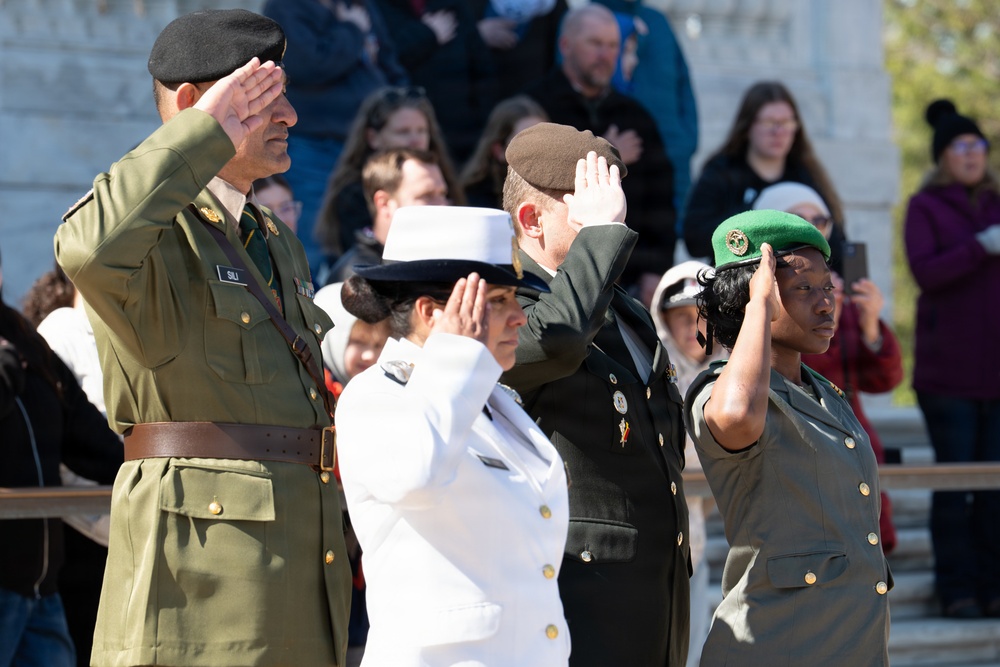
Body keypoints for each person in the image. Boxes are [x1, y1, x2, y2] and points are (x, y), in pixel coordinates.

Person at [54, 10, 351, 666]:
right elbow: (84, 247)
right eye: (268, 97)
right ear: (194, 106)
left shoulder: (273, 237)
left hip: (298, 571)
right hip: (201, 587)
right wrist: (197, 139)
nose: (292, 117)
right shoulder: (150, 231)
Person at [335, 206, 571, 665]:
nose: (519, 317)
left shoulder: (494, 401)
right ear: (430, 312)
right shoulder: (375, 394)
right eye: (497, 300)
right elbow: (415, 477)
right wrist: (455, 356)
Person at [500, 123, 690, 667]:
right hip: (576, 594)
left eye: (615, 213)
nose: (614, 225)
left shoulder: (624, 309)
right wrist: (600, 241)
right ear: (532, 220)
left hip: (655, 592)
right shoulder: (504, 302)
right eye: (589, 214)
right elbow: (554, 344)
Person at [685, 209, 891, 664]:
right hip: (772, 647)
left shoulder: (827, 394)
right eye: (802, 289)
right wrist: (758, 305)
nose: (825, 304)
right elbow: (737, 415)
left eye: (827, 288)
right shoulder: (718, 391)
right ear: (751, 297)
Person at [756, 181, 901, 555]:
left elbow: (885, 379)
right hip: (796, 432)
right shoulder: (760, 302)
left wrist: (869, 322)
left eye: (819, 218)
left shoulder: (840, 301)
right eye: (799, 218)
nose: (812, 226)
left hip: (850, 428)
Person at [0, 246, 123, 667]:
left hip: (41, 586)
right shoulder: (43, 336)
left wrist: (154, 473)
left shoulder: (23, 338)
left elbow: (85, 436)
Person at [904, 98, 1000, 619]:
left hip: (997, 374)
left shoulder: (996, 202)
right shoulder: (926, 207)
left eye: (978, 145)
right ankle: (956, 588)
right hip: (948, 375)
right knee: (954, 482)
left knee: (994, 488)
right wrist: (979, 247)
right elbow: (926, 272)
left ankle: (993, 584)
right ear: (943, 155)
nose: (972, 154)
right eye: (961, 146)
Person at [523, 4, 676, 294]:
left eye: (612, 46)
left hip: (629, 279)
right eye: (595, 43)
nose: (605, 55)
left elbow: (661, 201)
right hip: (552, 275)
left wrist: (654, 269)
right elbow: (524, 187)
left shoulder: (636, 117)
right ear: (565, 45)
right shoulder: (536, 108)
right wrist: (606, 158)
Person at [262, 0, 408, 272]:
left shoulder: (360, 6)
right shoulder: (285, 8)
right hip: (314, 144)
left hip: (367, 143)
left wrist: (402, 99)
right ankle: (307, 302)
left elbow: (388, 61)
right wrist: (352, 30)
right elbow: (308, 65)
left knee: (367, 230)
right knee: (312, 238)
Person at [649, 259, 727, 667]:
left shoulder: (734, 373)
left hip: (698, 533)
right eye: (680, 318)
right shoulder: (651, 374)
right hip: (658, 536)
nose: (691, 329)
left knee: (695, 642)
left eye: (701, 316)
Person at [683, 81, 847, 272]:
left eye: (786, 122)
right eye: (769, 122)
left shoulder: (807, 177)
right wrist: (756, 214)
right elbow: (694, 239)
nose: (778, 132)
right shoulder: (722, 173)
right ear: (748, 126)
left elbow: (838, 244)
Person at [315, 86, 464, 268]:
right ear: (373, 137)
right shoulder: (352, 194)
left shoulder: (439, 179)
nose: (415, 140)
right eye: (403, 132)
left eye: (422, 131)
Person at [597, 0, 699, 217]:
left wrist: (687, 140)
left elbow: (683, 83)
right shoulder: (591, 20)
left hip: (673, 156)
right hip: (627, 158)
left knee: (671, 230)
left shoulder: (657, 21)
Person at [372, 0, 497, 164]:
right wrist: (427, 34)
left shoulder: (451, 6)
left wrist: (483, 124)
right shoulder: (376, 8)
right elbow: (384, 61)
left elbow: (482, 69)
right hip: (409, 135)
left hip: (465, 133)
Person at [326, 148, 449, 284]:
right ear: (384, 203)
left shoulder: (447, 259)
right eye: (426, 196)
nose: (442, 206)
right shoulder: (356, 278)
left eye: (443, 194)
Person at [460, 95, 548, 209]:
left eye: (545, 141)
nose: (538, 151)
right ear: (499, 150)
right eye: (526, 143)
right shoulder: (476, 200)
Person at [470, 0, 568, 100]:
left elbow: (561, 55)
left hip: (530, 96)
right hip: (476, 93)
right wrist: (473, 35)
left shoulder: (552, 5)